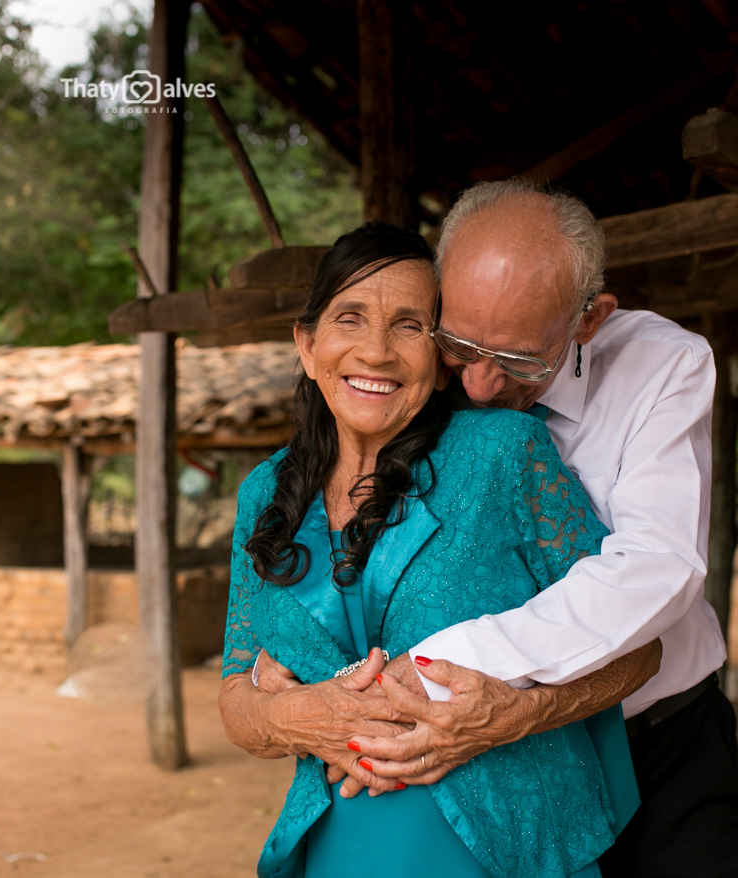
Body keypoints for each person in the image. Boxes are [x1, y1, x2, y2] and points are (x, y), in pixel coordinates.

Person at [245, 180, 738, 877]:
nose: (477, 385)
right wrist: (296, 673)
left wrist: (443, 671)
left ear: (588, 319)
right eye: (458, 344)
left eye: (515, 362)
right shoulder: (417, 379)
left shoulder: (661, 366)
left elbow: (654, 570)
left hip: (655, 737)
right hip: (497, 776)